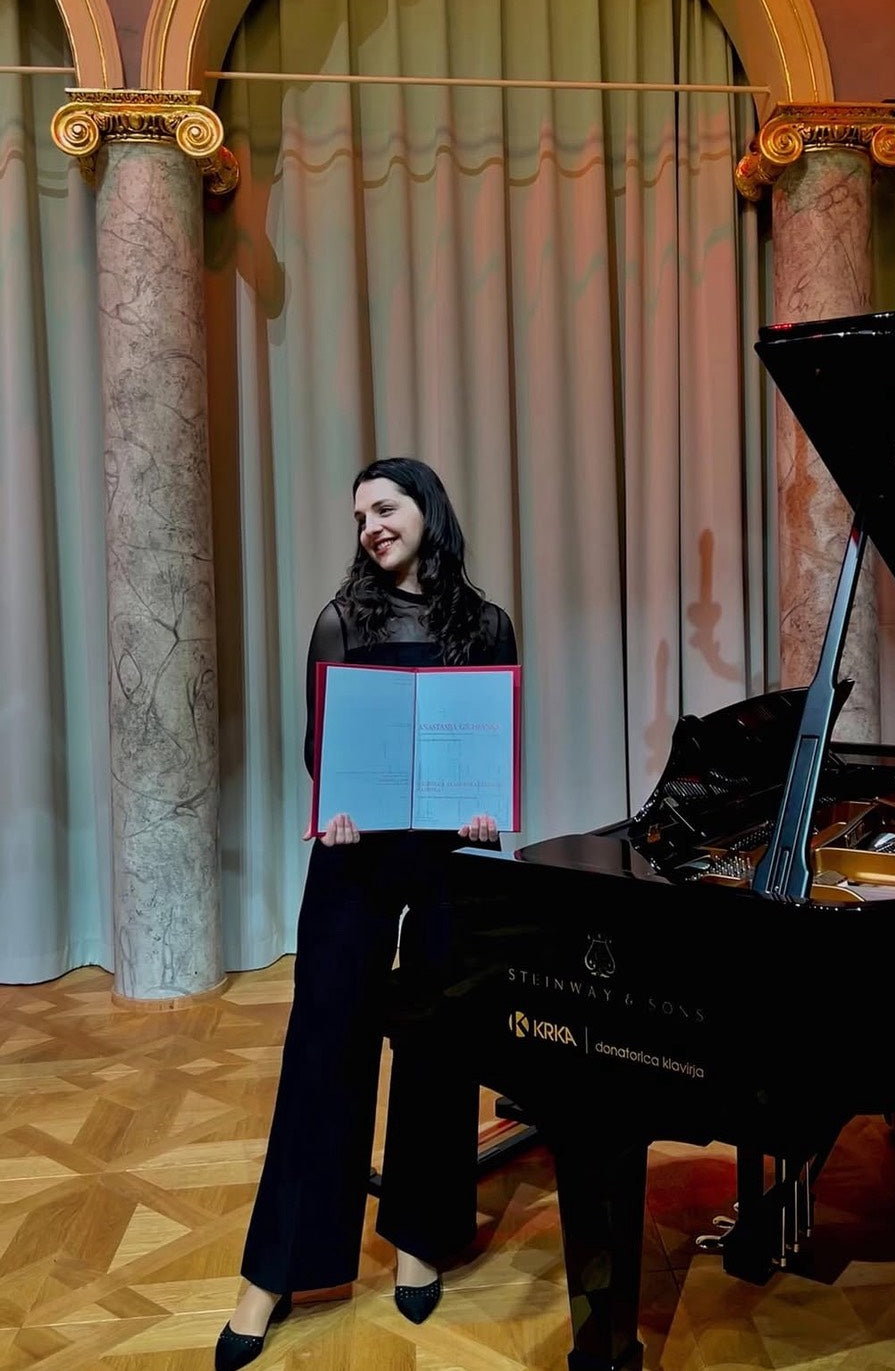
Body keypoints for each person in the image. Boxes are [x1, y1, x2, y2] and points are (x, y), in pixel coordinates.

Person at [215, 457, 518, 1371]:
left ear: (426, 509)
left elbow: (491, 741)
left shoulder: (486, 624)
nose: (370, 526)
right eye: (359, 516)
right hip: (355, 855)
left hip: (450, 854)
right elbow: (323, 749)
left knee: (438, 1044)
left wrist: (485, 811)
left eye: (384, 508)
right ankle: (274, 1271)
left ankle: (421, 1237)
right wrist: (335, 803)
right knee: (323, 1046)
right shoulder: (341, 618)